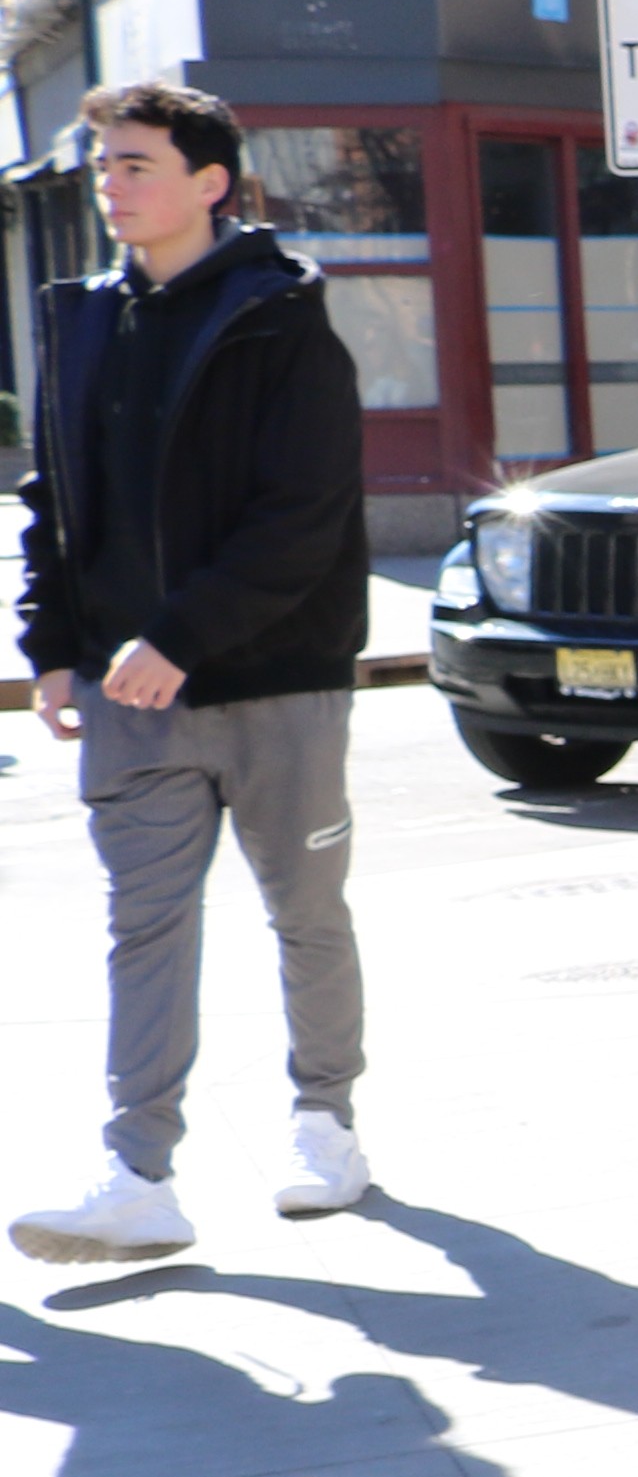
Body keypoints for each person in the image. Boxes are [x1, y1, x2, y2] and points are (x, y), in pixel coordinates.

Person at [15, 80, 373, 1264]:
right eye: (105, 166)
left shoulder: (283, 318)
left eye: (134, 165)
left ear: (208, 180)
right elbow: (55, 500)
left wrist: (181, 637)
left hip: (277, 681)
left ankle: (325, 1121)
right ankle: (137, 1174)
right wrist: (54, 645)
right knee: (145, 929)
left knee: (305, 912)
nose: (111, 186)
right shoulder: (83, 319)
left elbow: (303, 515)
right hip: (129, 701)